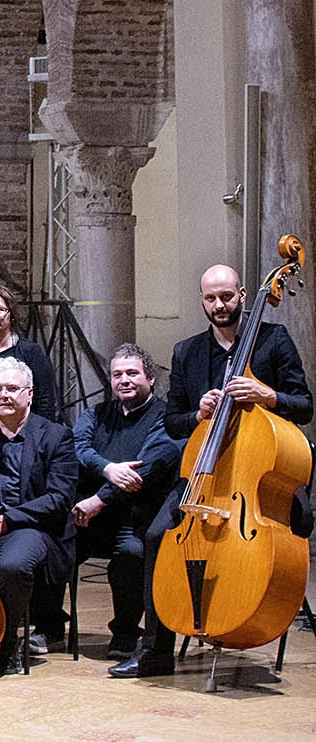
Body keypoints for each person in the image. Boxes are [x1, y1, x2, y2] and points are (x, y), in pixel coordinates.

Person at [111, 263, 312, 679]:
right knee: (155, 536)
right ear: (202, 300)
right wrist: (198, 414)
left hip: (262, 479)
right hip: (204, 476)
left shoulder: (273, 340)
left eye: (226, 296)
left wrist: (267, 394)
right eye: (210, 298)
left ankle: (240, 616)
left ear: (241, 295)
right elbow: (173, 422)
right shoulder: (187, 352)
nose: (219, 305)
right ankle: (155, 652)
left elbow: (305, 405)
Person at [0, 355, 77, 675]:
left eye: (12, 388)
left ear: (30, 394)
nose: (4, 395)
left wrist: (8, 518)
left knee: (12, 565)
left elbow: (59, 499)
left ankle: (8, 646)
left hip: (33, 527)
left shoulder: (56, 435)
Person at [70, 344, 181, 662]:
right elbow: (77, 446)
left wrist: (100, 498)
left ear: (150, 377)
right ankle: (48, 625)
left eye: (132, 373)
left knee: (131, 554)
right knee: (51, 541)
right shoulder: (96, 413)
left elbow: (147, 466)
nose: (124, 380)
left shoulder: (165, 416)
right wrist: (108, 468)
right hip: (91, 513)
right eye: (117, 374)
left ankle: (125, 633)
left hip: (135, 513)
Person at [0, 284, 60, 425]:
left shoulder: (30, 352)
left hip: (22, 438)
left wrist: (41, 438)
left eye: (0, 310)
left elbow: (45, 401)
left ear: (11, 314)